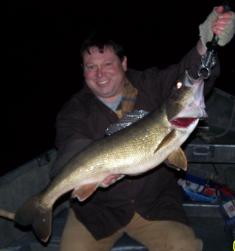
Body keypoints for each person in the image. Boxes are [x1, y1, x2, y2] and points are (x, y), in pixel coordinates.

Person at [50, 6, 235, 251]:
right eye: (90, 66)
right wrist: (94, 178)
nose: (100, 74)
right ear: (83, 71)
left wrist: (205, 42)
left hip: (155, 205)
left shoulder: (151, 84)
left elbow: (187, 75)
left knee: (185, 247)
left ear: (124, 63)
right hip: (98, 212)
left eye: (107, 63)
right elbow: (71, 150)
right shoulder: (73, 111)